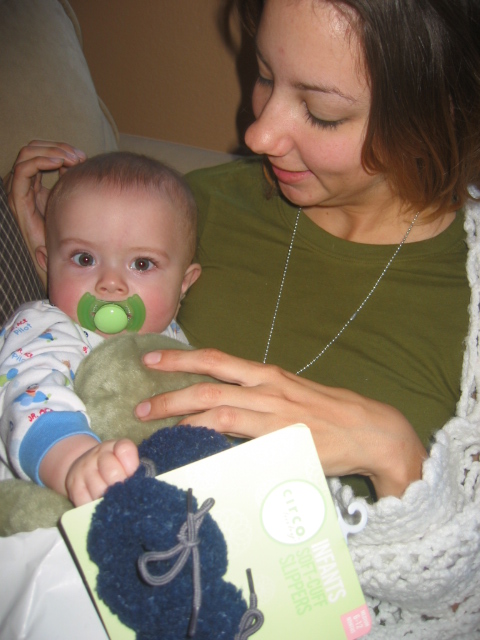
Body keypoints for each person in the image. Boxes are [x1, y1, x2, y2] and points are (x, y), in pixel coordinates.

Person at [6, 0, 480, 635]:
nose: (258, 135)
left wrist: (395, 457)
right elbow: (67, 345)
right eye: (264, 75)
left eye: (322, 111)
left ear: (434, 113)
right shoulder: (182, 214)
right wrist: (57, 259)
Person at [0, 151, 201, 506]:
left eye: (142, 264)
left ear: (183, 284)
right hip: (45, 501)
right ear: (47, 264)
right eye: (85, 259)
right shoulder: (47, 325)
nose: (110, 282)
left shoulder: (172, 339)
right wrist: (75, 460)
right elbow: (32, 396)